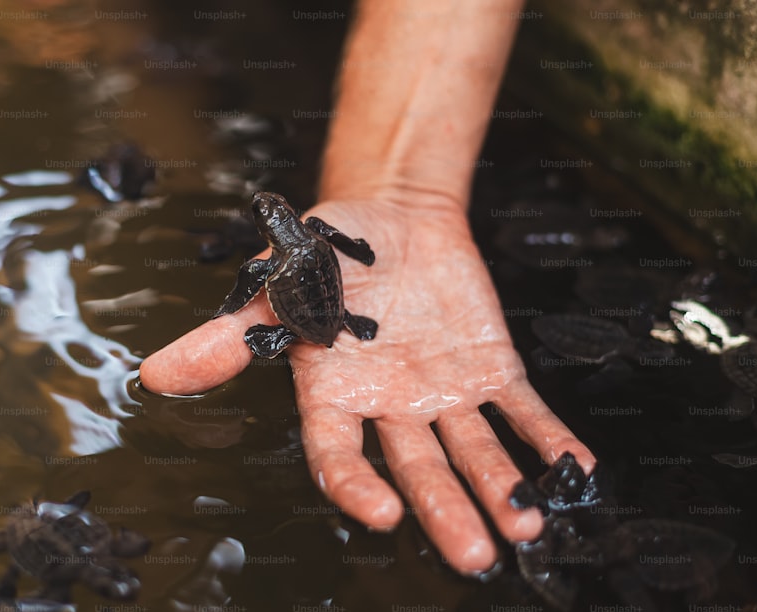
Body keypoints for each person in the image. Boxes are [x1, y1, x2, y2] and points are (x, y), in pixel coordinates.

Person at [140, 0, 596, 576]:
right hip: (337, 310)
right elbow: (344, 243)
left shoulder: (265, 267)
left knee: (265, 322)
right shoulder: (314, 234)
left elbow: (244, 283)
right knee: (303, 316)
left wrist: (231, 308)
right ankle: (327, 328)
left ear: (271, 227)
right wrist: (387, 208)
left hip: (304, 319)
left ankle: (280, 339)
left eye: (268, 212)